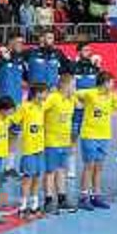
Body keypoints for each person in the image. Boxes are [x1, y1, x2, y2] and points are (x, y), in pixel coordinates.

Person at [75, 72, 117, 210]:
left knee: (99, 167)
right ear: (105, 82)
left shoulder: (112, 96)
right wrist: (78, 105)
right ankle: (83, 197)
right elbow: (74, 94)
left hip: (104, 136)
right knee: (89, 166)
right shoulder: (90, 93)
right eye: (111, 82)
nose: (113, 85)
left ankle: (96, 196)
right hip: (89, 135)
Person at [43, 74, 78, 214]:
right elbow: (40, 108)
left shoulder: (71, 100)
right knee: (50, 171)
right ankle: (48, 201)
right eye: (73, 85)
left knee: (62, 170)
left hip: (65, 141)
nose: (75, 88)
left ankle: (62, 199)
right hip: (51, 141)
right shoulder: (52, 98)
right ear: (64, 85)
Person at [12, 83, 48, 218]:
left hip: (40, 148)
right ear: (36, 93)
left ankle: (34, 204)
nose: (46, 96)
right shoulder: (24, 108)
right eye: (44, 93)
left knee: (37, 177)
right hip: (28, 150)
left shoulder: (42, 107)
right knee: (27, 179)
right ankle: (23, 206)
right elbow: (12, 120)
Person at [0, 34, 25, 108]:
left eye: (22, 43)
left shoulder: (20, 60)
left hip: (18, 103)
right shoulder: (0, 58)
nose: (21, 45)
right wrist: (2, 59)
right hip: (4, 104)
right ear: (11, 42)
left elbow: (24, 78)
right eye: (19, 42)